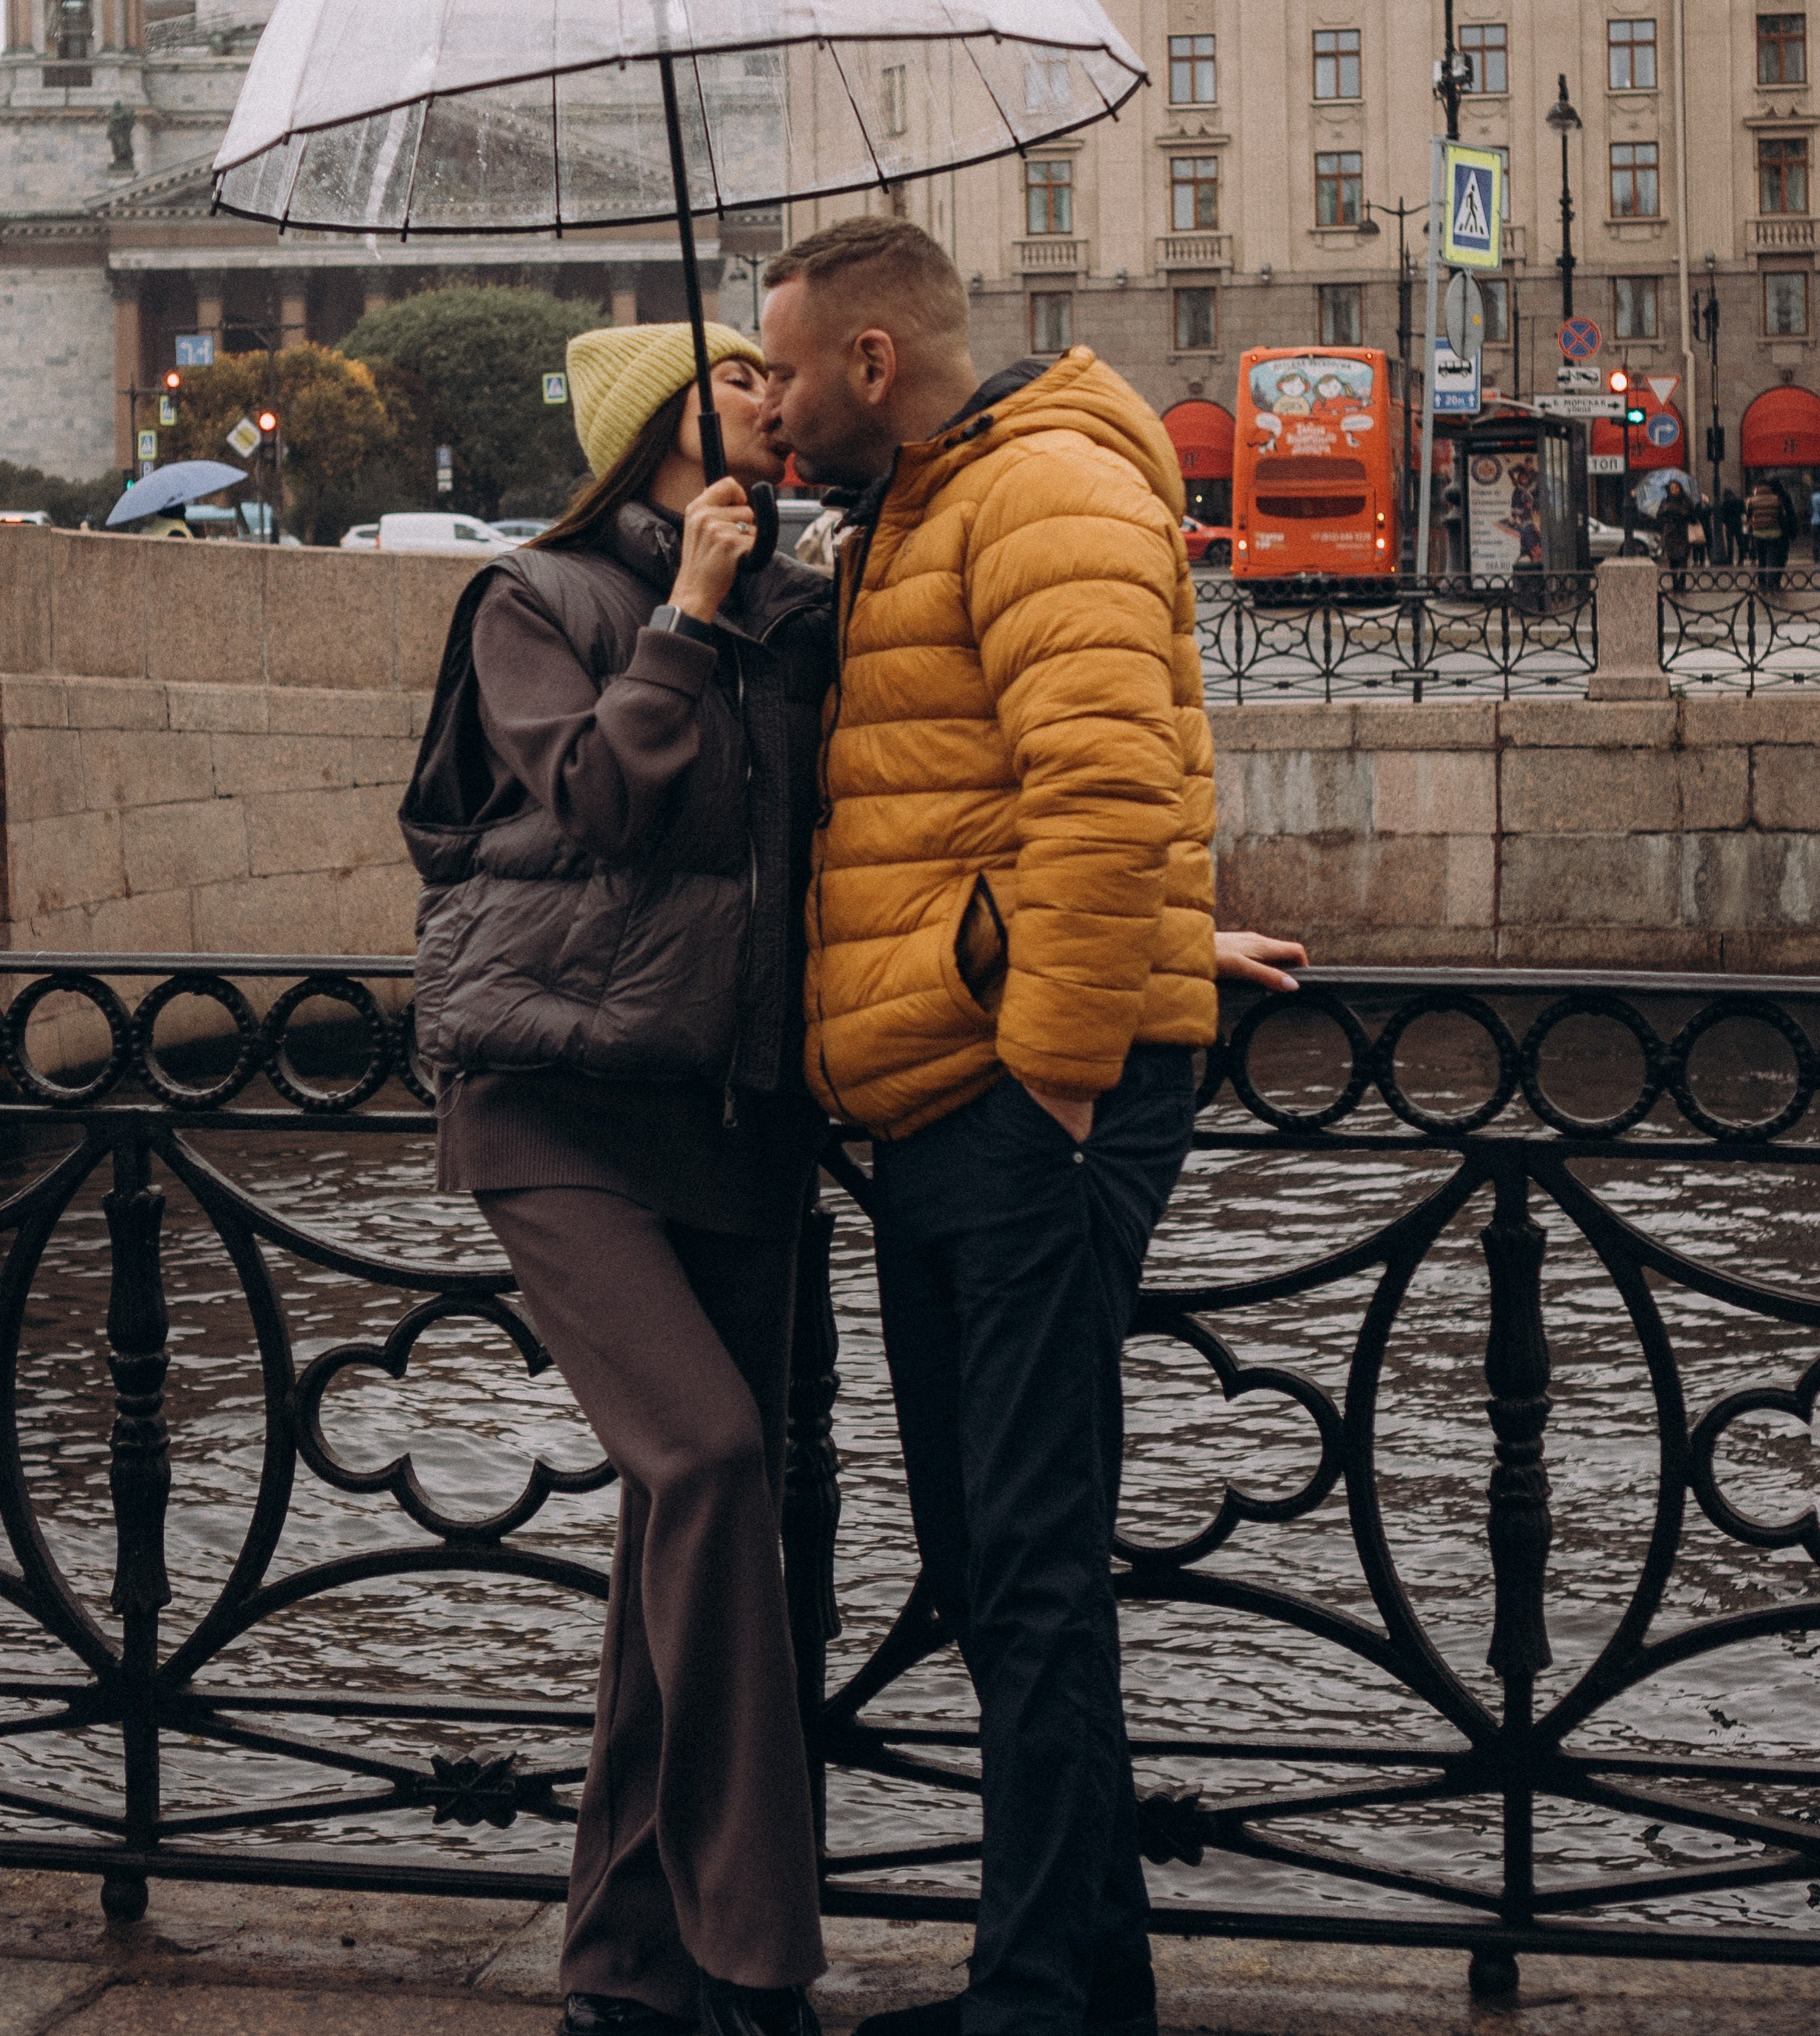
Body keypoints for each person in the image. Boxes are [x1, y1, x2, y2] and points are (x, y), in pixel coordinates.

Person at [756, 216, 1304, 2036]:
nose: (770, 409)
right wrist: (1142, 942)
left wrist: (1060, 1063)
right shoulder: (924, 505)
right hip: (952, 1090)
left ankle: (1041, 1997)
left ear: (871, 361)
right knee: (994, 1557)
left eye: (783, 372)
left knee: (1032, 1561)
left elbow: (1105, 779)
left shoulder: (1041, 484)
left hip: (1022, 1101)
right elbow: (980, 787)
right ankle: (1074, 1976)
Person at [401, 321, 835, 2036]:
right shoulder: (537, 596)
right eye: (736, 377)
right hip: (555, 1104)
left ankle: (621, 1965)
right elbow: (593, 797)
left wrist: (1164, 932)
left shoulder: (802, 614)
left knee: (693, 1521)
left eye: (777, 377)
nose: (771, 398)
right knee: (710, 1457)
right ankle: (753, 1957)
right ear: (654, 419)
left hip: (733, 1114)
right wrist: (685, 617)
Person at [1654, 479, 1692, 583]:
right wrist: (1666, 514)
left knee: (1683, 558)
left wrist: (1682, 514)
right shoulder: (1665, 501)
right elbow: (1659, 516)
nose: (1674, 490)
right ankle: (1675, 581)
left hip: (1682, 532)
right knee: (1673, 558)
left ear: (1680, 488)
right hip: (1670, 532)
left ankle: (1682, 581)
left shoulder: (1685, 500)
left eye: (1676, 488)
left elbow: (1692, 515)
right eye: (1672, 488)